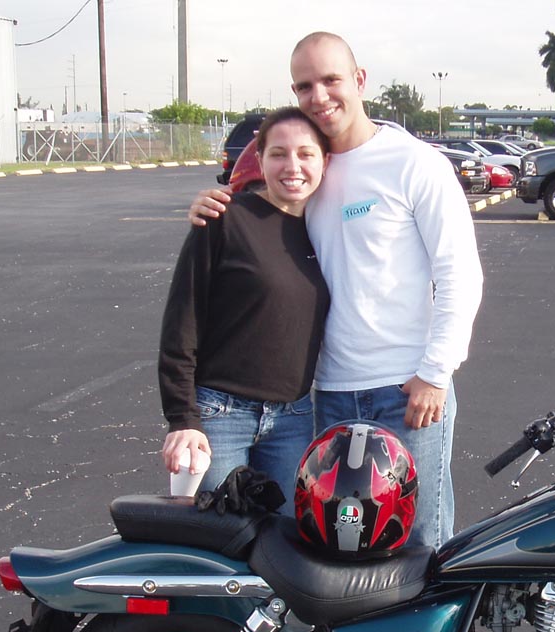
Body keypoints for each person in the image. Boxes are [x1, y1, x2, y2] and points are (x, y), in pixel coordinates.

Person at [188, 32, 484, 548]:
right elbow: (254, 215)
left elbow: (460, 273)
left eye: (331, 80)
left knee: (420, 541)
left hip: (408, 391)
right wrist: (210, 206)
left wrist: (436, 374)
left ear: (359, 80)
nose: (319, 96)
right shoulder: (310, 167)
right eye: (305, 86)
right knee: (336, 548)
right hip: (328, 396)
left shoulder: (413, 163)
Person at [159, 107, 331, 516]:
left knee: (287, 541)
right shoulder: (224, 217)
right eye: (278, 154)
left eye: (306, 154)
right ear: (260, 159)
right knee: (217, 539)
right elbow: (182, 321)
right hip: (220, 416)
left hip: (293, 418)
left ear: (325, 160)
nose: (293, 166)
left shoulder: (327, 229)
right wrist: (183, 417)